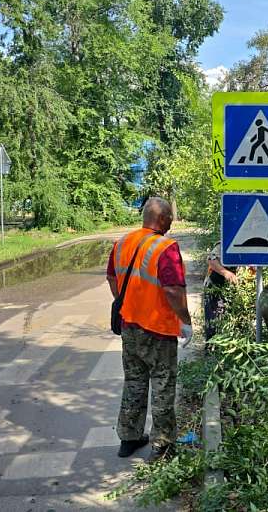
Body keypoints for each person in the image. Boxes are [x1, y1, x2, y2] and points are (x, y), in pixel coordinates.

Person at [107, 197, 192, 462]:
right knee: (163, 384)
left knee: (134, 381)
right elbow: (172, 290)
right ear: (163, 219)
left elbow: (112, 277)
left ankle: (128, 438)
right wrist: (186, 321)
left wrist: (128, 302)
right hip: (158, 329)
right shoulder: (166, 247)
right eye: (170, 218)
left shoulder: (122, 243)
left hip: (129, 327)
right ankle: (162, 445)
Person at [203, 243, 239, 342]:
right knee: (213, 318)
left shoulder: (251, 249)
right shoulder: (226, 243)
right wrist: (225, 273)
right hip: (214, 286)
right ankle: (211, 347)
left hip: (231, 289)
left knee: (229, 319)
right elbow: (211, 259)